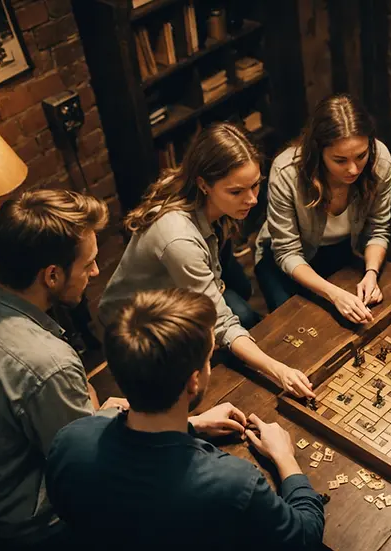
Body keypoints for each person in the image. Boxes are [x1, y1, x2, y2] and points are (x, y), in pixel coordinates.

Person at [46, 288, 325, 548]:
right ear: (193, 381)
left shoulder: (69, 441)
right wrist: (285, 457)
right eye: (207, 360)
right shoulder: (233, 483)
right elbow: (305, 535)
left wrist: (193, 425)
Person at [0, 190, 127, 547]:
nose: (95, 270)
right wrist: (102, 416)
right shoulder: (49, 363)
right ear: (52, 275)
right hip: (24, 520)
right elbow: (86, 468)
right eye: (88, 263)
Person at [99, 123, 314, 399]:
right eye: (236, 192)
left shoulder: (205, 199)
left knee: (245, 305)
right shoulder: (179, 240)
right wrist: (278, 370)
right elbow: (222, 323)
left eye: (255, 186)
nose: (251, 199)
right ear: (204, 184)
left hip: (181, 290)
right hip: (138, 324)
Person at [255, 93, 391, 324]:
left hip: (340, 250)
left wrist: (371, 273)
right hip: (285, 260)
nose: (352, 169)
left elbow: (378, 230)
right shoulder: (286, 172)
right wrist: (334, 294)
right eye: (340, 160)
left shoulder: (380, 162)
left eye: (361, 156)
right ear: (318, 152)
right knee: (299, 328)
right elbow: (287, 252)